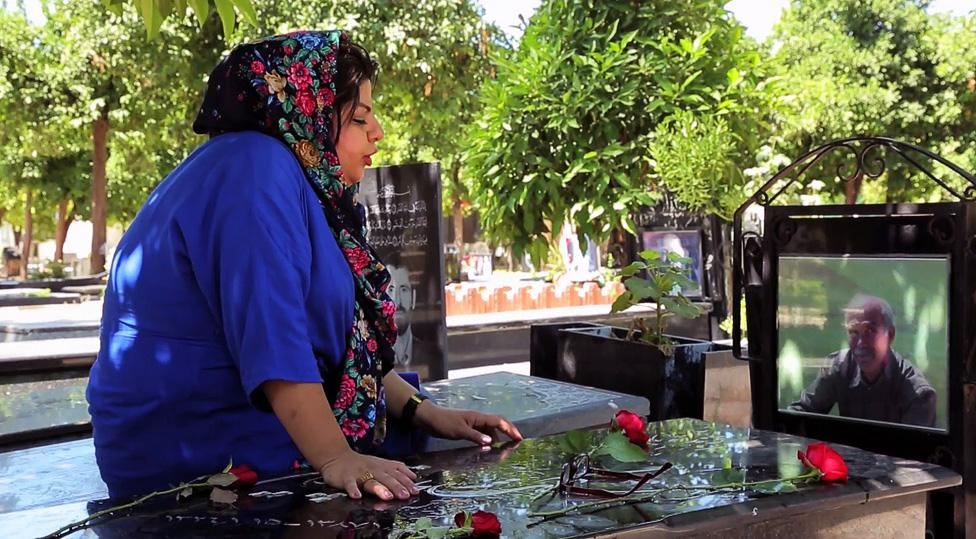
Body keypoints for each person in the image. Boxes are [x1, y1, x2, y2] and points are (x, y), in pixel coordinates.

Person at [86, 31, 521, 502]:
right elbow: (273, 338)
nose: (377, 133)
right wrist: (336, 457)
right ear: (305, 114)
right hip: (196, 452)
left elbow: (334, 343)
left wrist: (423, 410)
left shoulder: (293, 181)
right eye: (359, 117)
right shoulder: (255, 169)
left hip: (253, 424)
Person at [789, 294, 936, 427]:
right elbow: (799, 414)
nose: (860, 344)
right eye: (853, 332)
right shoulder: (839, 367)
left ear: (890, 335)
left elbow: (914, 452)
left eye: (869, 331)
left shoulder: (918, 394)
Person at [386, 263, 415, 366]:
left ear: (413, 298)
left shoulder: (430, 353)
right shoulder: (374, 354)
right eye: (391, 289)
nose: (397, 300)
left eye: (403, 290)